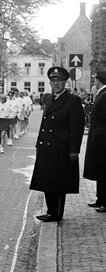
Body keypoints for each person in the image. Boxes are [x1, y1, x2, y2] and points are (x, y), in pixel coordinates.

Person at [29, 67, 85, 222]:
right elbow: (44, 124)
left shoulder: (72, 100)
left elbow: (77, 128)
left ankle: (56, 213)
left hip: (61, 148)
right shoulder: (50, 99)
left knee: (59, 182)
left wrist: (74, 150)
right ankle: (50, 210)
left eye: (59, 81)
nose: (56, 84)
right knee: (47, 180)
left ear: (65, 82)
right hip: (47, 146)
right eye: (53, 81)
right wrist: (38, 144)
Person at [83, 66, 106, 212]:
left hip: (103, 140)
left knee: (103, 171)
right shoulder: (101, 94)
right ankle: (100, 199)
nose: (93, 82)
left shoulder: (104, 95)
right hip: (99, 139)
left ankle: (105, 201)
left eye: (95, 79)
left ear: (98, 80)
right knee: (100, 170)